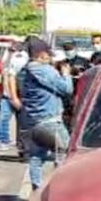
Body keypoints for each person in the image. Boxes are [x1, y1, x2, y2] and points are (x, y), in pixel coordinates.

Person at [20, 37, 73, 190]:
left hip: (32, 120)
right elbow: (66, 89)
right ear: (42, 54)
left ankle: (36, 189)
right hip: (50, 121)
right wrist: (66, 74)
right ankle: (59, 189)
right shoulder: (43, 69)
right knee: (64, 153)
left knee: (37, 156)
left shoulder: (25, 70)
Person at [0, 41, 28, 152]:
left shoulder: (22, 58)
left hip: (19, 95)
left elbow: (12, 77)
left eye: (13, 49)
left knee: (22, 121)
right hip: (7, 95)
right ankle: (4, 141)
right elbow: (3, 74)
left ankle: (21, 144)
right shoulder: (6, 59)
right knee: (3, 119)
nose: (11, 51)